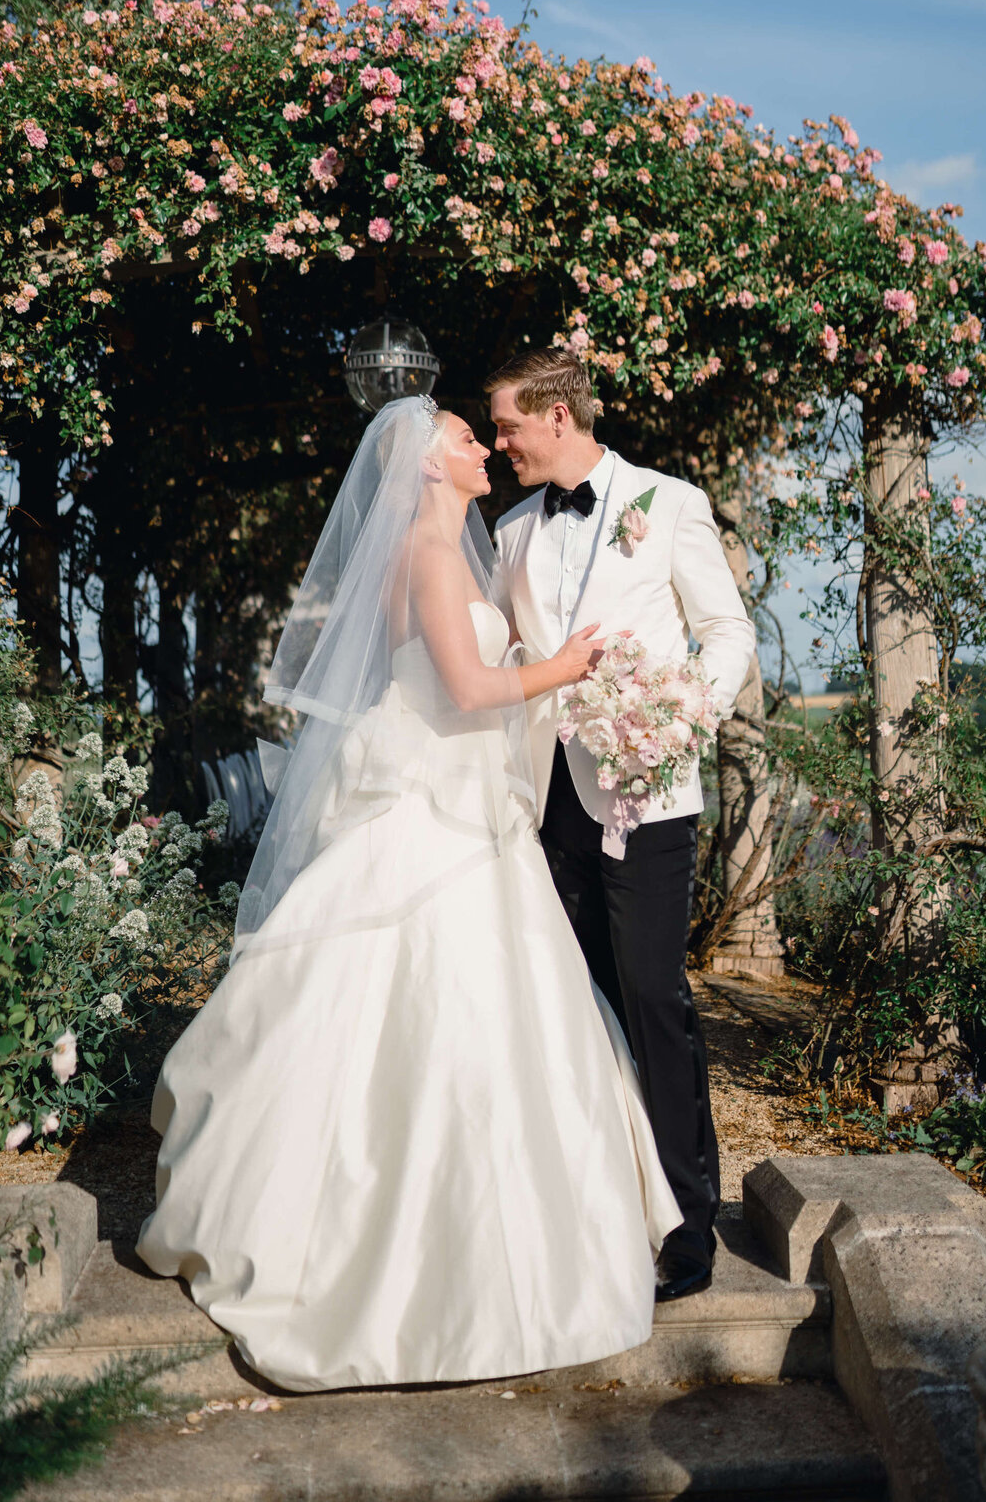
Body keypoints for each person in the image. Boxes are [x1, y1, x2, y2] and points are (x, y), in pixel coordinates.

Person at [136, 396, 681, 1393]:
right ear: (429, 468)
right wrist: (563, 666)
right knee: (438, 1000)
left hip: (465, 802)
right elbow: (468, 692)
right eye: (465, 438)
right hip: (435, 810)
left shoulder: (445, 555)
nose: (482, 448)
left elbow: (454, 682)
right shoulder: (428, 559)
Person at [487, 348, 756, 1302]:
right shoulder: (512, 530)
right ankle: (600, 1208)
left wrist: (684, 719)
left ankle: (689, 1225)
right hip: (544, 802)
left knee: (653, 997)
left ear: (558, 416)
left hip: (646, 796)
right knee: (574, 1006)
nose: (499, 441)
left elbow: (728, 633)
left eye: (509, 424)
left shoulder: (669, 503)